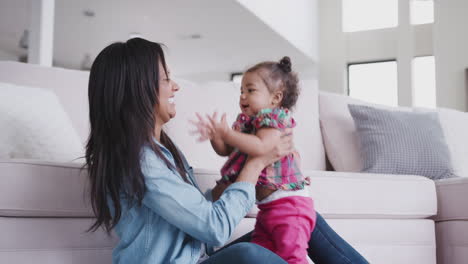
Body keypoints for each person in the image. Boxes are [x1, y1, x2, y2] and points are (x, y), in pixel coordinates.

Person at [85, 37, 369, 264]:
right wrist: (256, 163)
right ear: (138, 89)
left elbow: (197, 216)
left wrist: (250, 177)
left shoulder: (162, 153)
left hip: (199, 256)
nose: (176, 86)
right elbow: (214, 228)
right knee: (250, 256)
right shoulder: (142, 162)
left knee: (301, 217)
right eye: (166, 79)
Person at [192, 57, 314, 264]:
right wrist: (216, 137)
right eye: (241, 91)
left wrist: (228, 134)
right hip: (267, 207)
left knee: (291, 255)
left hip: (289, 206)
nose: (243, 96)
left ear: (275, 98)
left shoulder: (274, 118)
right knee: (263, 250)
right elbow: (226, 151)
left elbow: (262, 147)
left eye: (250, 90)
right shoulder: (245, 122)